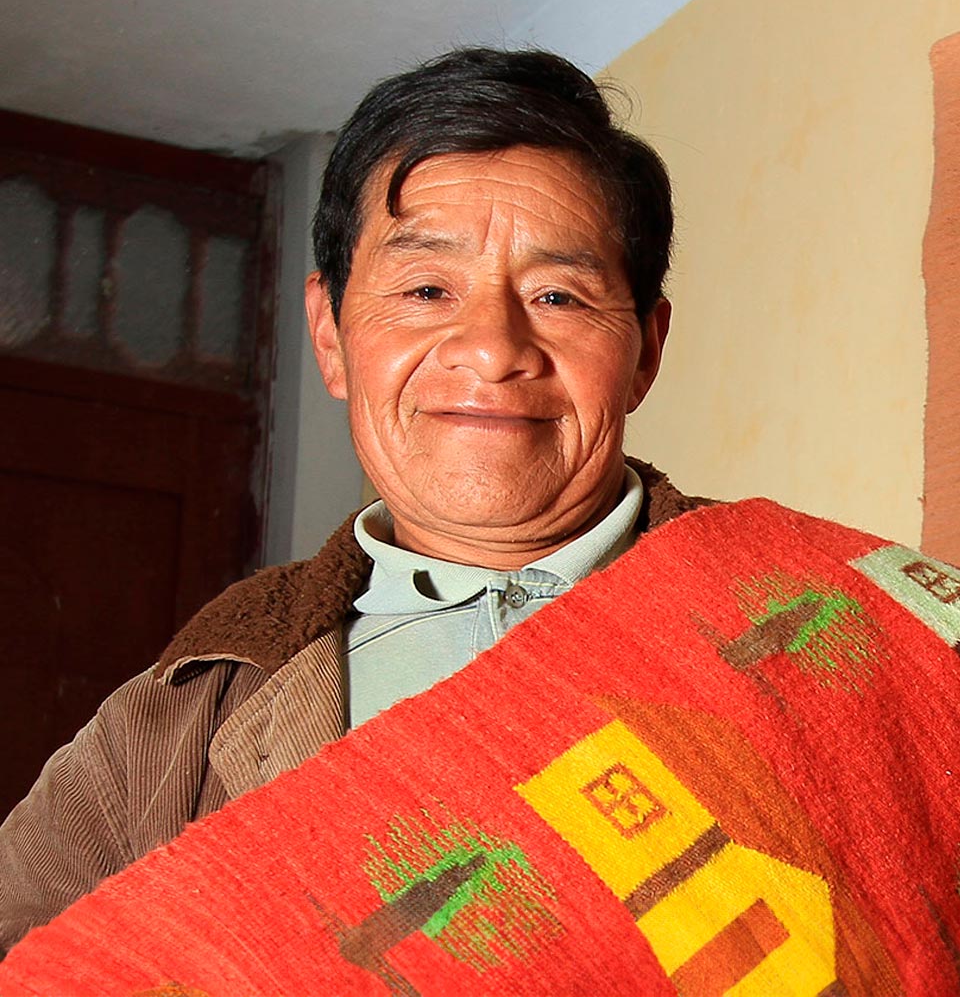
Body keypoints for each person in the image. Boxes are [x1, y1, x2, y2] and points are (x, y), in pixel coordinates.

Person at [0, 48, 710, 952]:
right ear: (331, 335)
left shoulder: (809, 619)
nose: (492, 348)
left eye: (558, 294)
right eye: (426, 289)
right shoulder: (188, 712)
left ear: (644, 350)